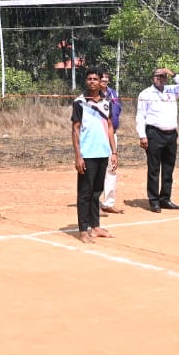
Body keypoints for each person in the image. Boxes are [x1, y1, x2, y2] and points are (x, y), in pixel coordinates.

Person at [136, 67, 179, 212]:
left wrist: (172, 73)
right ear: (152, 77)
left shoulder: (171, 90)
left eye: (162, 76)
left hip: (171, 134)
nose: (159, 78)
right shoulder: (145, 94)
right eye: (157, 76)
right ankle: (154, 200)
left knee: (168, 168)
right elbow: (140, 115)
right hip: (154, 133)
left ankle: (165, 199)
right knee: (154, 169)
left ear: (166, 78)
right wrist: (142, 135)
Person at [71, 70, 117, 243]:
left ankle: (95, 226)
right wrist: (78, 156)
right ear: (86, 81)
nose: (92, 81)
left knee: (96, 192)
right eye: (89, 79)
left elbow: (110, 127)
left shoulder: (107, 103)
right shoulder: (80, 102)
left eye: (95, 79)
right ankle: (83, 230)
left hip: (103, 153)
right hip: (87, 154)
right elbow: (75, 129)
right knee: (85, 194)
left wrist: (114, 152)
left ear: (100, 82)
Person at [99, 71, 124, 215]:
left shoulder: (113, 93)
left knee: (111, 168)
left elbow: (117, 110)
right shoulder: (92, 95)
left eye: (107, 77)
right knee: (96, 170)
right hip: (97, 136)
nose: (105, 79)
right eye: (102, 77)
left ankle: (108, 203)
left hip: (112, 134)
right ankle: (94, 205)